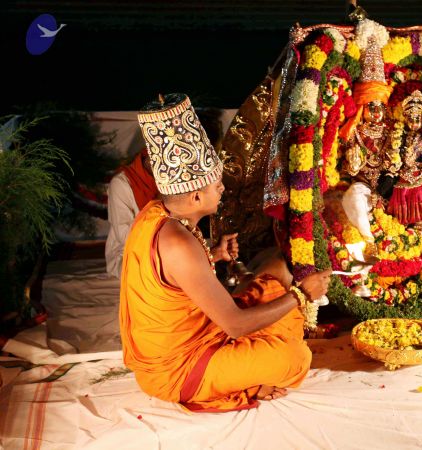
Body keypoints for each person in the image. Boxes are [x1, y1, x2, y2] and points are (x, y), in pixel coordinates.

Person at [119, 93, 331, 412]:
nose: (222, 189)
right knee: (295, 358)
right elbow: (235, 325)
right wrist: (303, 294)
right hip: (181, 367)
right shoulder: (179, 243)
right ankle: (244, 379)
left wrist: (214, 255)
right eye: (216, 185)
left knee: (275, 274)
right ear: (195, 197)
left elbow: (176, 276)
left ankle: (245, 368)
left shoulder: (157, 213)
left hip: (204, 332)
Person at [105, 107, 225, 279]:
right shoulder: (123, 184)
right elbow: (127, 237)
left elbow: (186, 223)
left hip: (171, 245)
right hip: (130, 255)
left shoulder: (181, 178)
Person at [339, 36, 398, 261]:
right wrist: (352, 164)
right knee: (353, 195)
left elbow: (398, 164)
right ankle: (369, 242)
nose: (376, 112)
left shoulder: (393, 131)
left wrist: (390, 177)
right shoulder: (352, 132)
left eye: (380, 106)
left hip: (388, 188)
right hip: (363, 187)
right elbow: (345, 171)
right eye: (370, 106)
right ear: (362, 107)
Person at [105, 147, 158, 278]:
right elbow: (123, 235)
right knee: (150, 272)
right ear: (148, 159)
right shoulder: (121, 183)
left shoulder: (172, 178)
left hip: (167, 245)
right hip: (127, 252)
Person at [387, 89, 422, 225]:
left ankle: (419, 222)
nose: (413, 123)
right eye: (410, 119)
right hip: (403, 171)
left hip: (420, 172)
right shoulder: (401, 135)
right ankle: (403, 221)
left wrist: (413, 162)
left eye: (417, 119)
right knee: (399, 188)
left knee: (421, 188)